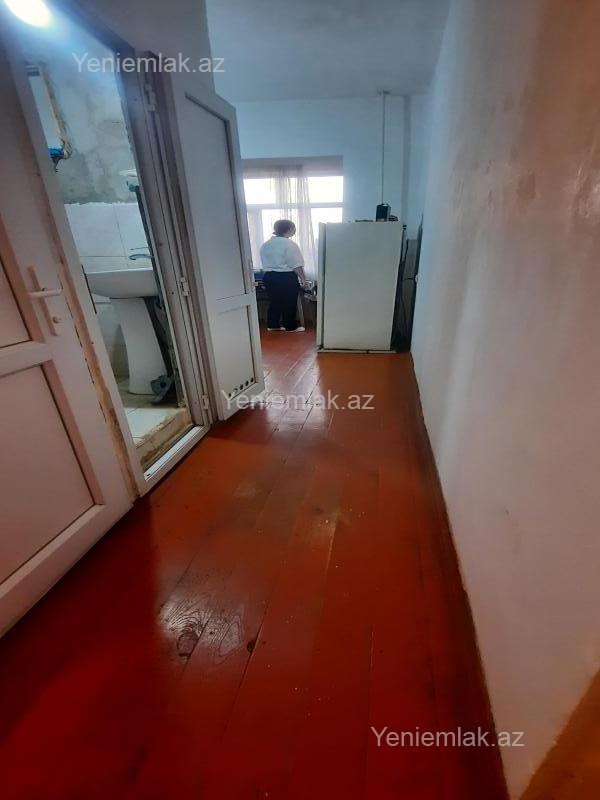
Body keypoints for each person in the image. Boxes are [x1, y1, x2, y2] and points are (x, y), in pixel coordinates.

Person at [259, 219, 307, 332]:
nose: (295, 231)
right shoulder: (290, 244)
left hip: (269, 277)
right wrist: (303, 279)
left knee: (275, 302)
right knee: (289, 302)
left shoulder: (266, 244)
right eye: (294, 229)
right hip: (286, 277)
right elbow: (296, 265)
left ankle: (273, 325)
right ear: (289, 229)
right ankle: (290, 327)